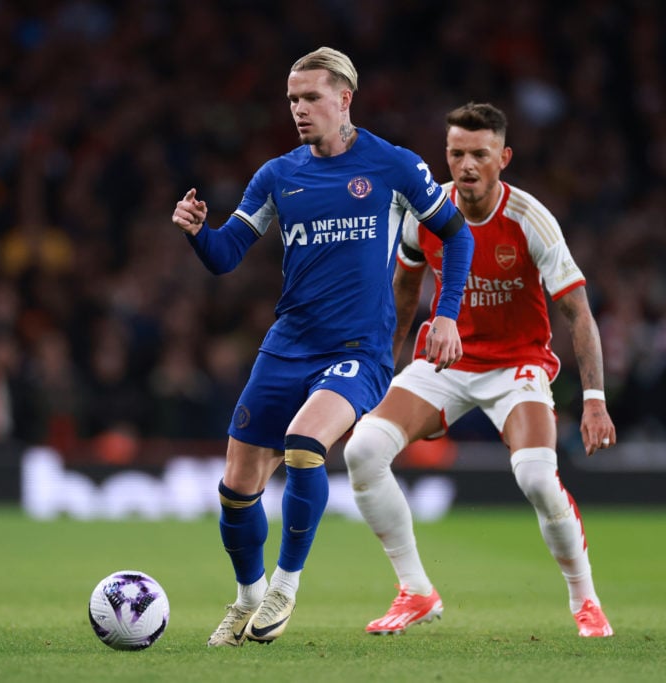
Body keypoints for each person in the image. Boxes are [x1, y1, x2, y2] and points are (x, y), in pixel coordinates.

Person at [170, 47, 475, 646]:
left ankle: (285, 585)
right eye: (292, 100)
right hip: (288, 343)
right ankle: (247, 599)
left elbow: (456, 235)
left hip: (358, 349)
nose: (300, 110)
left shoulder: (392, 166)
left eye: (311, 97)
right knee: (237, 486)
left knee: (306, 444)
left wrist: (446, 316)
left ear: (345, 98)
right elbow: (226, 256)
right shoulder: (279, 176)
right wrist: (197, 232)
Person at [342, 102, 616, 638]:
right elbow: (403, 290)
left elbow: (577, 311)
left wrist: (594, 400)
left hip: (517, 365)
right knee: (362, 450)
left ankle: (585, 600)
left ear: (503, 158)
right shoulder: (428, 212)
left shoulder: (529, 219)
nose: (466, 165)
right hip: (447, 360)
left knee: (536, 476)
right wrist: (381, 370)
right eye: (456, 153)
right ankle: (416, 590)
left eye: (479, 154)